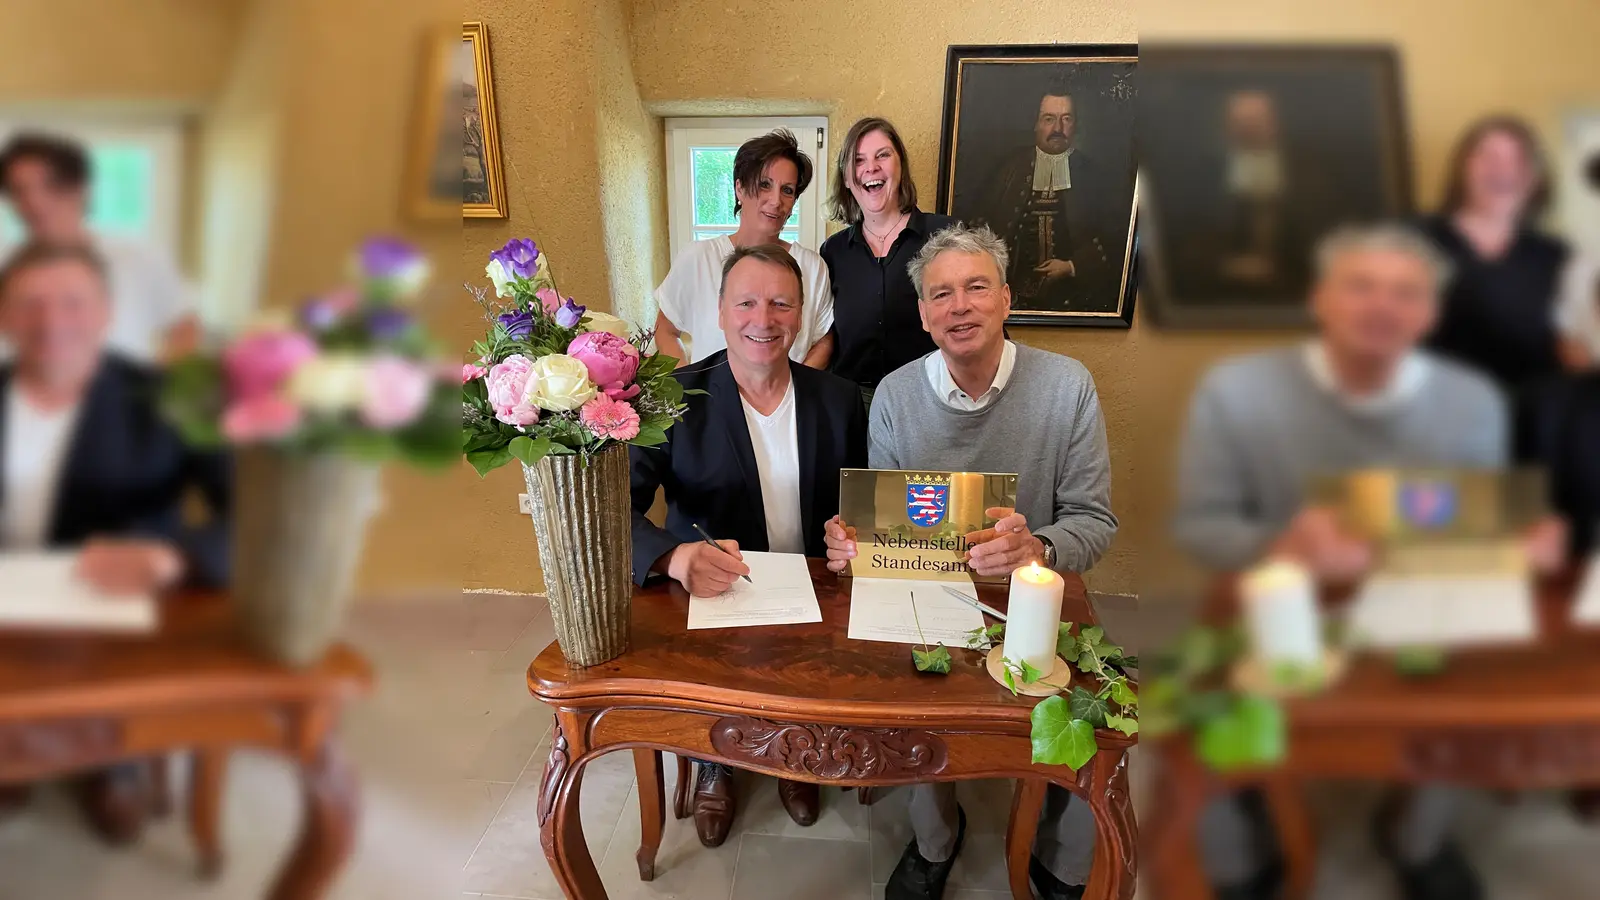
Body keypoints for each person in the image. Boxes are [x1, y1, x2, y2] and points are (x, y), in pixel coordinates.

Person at [1173, 223, 1565, 900]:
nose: (1382, 307)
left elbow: (1478, 530)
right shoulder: (1235, 392)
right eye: (1361, 286)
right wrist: (1282, 545)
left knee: (1476, 693)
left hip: (1425, 600)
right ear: (1320, 298)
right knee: (1203, 707)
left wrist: (1518, 545)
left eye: (1406, 293)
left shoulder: (1474, 401)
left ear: (1431, 313)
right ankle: (1249, 828)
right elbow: (1200, 527)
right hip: (1280, 599)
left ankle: (1417, 837)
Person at [823, 224, 1118, 900]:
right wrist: (853, 544)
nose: (960, 306)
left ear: (1006, 298)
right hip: (930, 591)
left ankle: (1059, 857)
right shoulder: (895, 396)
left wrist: (1038, 546)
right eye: (941, 295)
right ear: (924, 314)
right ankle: (935, 840)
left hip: (1032, 594)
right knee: (913, 700)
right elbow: (884, 529)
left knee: (1085, 712)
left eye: (976, 287)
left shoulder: (1067, 387)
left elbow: (1095, 523)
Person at [630, 243, 867, 848]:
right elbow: (612, 513)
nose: (763, 319)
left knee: (811, 672)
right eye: (747, 302)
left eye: (781, 303)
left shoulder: (839, 400)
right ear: (719, 310)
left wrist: (853, 536)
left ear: (801, 311)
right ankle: (718, 762)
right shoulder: (672, 397)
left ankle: (794, 757)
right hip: (715, 599)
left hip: (816, 600)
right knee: (722, 680)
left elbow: (863, 506)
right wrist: (673, 557)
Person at [0, 242, 231, 842]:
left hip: (120, 620)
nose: (52, 323)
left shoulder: (173, 399)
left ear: (105, 312)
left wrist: (174, 555)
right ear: (4, 316)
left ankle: (113, 763)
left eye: (72, 303)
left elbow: (253, 519)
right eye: (29, 304)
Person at [0, 133, 201, 365]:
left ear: (81, 189)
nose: (34, 202)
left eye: (50, 186)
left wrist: (160, 385)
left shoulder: (139, 257)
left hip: (120, 395)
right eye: (20, 190)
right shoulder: (6, 263)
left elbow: (184, 325)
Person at [653, 129, 833, 368]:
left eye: (787, 190)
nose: (776, 200)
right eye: (764, 185)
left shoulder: (811, 266)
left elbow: (824, 339)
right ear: (739, 189)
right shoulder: (699, 259)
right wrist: (688, 388)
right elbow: (665, 330)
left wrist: (798, 394)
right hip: (712, 403)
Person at [1418, 116, 1572, 396]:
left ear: (1536, 177)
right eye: (1487, 156)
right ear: (1461, 169)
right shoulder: (1413, 241)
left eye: (1518, 159)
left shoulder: (1557, 255)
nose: (1502, 168)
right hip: (1437, 414)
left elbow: (1572, 346)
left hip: (1532, 418)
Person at [819, 117, 956, 408]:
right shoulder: (833, 252)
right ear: (846, 178)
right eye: (859, 160)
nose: (871, 167)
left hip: (930, 400)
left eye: (883, 155)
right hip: (853, 405)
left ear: (900, 166)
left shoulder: (945, 236)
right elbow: (825, 333)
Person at [971, 89, 1128, 313]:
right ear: (1036, 123)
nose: (1058, 129)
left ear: (1075, 125)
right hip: (1011, 297)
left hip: (1076, 297)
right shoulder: (1009, 170)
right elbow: (979, 228)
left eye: (1066, 119)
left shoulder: (1096, 176)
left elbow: (1117, 239)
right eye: (1049, 119)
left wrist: (1073, 266)